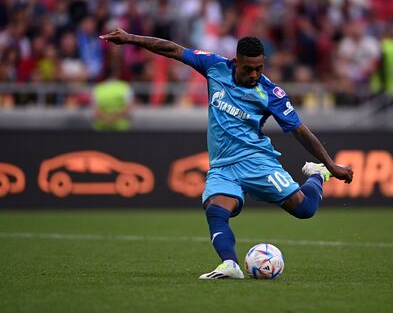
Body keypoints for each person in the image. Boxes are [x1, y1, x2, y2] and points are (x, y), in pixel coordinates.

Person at [99, 28, 354, 279]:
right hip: (222, 165)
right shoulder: (214, 66)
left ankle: (316, 175)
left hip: (256, 161)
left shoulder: (271, 93)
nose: (254, 74)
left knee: (305, 209)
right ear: (236, 62)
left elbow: (300, 130)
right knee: (215, 210)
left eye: (259, 69)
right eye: (248, 68)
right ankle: (230, 264)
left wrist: (329, 165)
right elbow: (173, 49)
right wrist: (131, 39)